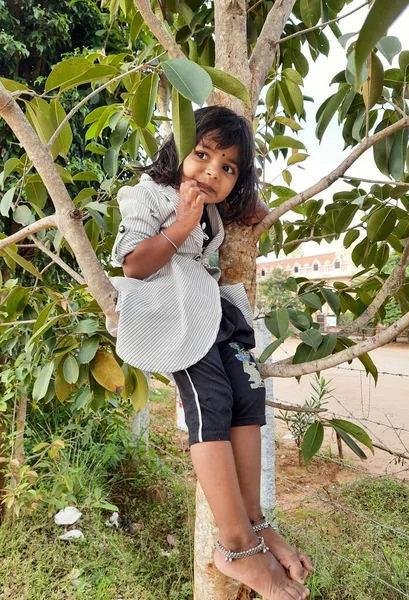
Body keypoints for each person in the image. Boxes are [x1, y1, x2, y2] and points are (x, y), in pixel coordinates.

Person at [109, 106, 312, 600]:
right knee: (212, 405)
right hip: (175, 315)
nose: (211, 172)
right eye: (202, 155)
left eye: (228, 168)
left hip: (215, 314)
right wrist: (180, 224)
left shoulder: (216, 208)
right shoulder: (149, 193)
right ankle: (235, 543)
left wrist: (250, 205)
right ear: (179, 150)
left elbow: (250, 210)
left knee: (248, 394)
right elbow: (133, 264)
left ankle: (256, 523)